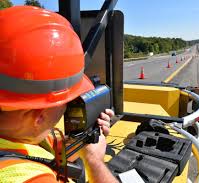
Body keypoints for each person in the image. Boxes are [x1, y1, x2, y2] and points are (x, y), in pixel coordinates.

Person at [0, 6, 118, 183]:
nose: (68, 106)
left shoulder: (25, 133)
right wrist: (95, 161)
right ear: (38, 117)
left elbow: (55, 155)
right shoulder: (29, 178)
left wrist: (82, 142)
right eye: (66, 102)